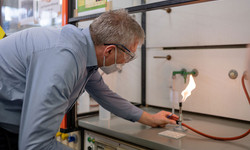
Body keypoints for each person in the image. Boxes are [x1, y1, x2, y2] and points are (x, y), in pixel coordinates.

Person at [0, 9, 178, 150]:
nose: (126, 62)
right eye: (129, 55)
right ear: (109, 50)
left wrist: (149, 119)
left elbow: (105, 95)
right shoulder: (64, 61)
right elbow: (35, 145)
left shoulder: (82, 50)